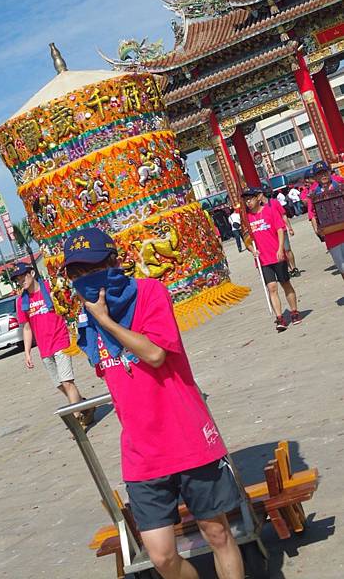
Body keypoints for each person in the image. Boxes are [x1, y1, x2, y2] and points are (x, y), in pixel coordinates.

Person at [63, 228, 245, 579]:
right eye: (77, 274)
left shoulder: (149, 294)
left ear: (114, 262)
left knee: (217, 533)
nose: (85, 279)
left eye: (92, 268)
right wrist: (95, 321)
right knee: (161, 557)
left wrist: (106, 321)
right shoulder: (85, 319)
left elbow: (156, 354)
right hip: (141, 451)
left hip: (187, 437)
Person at [12, 262, 94, 428]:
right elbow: (27, 328)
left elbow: (67, 306)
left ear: (32, 273)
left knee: (67, 382)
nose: (21, 281)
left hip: (61, 340)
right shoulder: (22, 302)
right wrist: (27, 352)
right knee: (60, 385)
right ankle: (85, 406)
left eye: (23, 277)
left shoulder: (50, 289)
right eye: (18, 280)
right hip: (44, 348)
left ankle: (77, 422)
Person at [242, 187, 302, 331]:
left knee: (285, 283)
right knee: (272, 287)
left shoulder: (269, 210)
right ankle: (280, 317)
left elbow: (280, 229)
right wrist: (252, 250)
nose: (248, 202)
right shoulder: (247, 218)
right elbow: (246, 239)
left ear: (257, 198)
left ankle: (294, 312)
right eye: (246, 200)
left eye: (250, 199)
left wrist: (280, 248)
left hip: (277, 255)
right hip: (262, 259)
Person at [309, 163, 344, 281]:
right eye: (319, 174)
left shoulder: (340, 185)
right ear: (315, 178)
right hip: (331, 237)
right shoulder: (313, 195)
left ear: (329, 172)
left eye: (325, 172)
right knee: (342, 268)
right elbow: (312, 214)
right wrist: (317, 230)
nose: (323, 175)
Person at [262, 188, 300, 278]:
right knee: (280, 251)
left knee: (287, 249)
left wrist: (289, 228)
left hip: (281, 229)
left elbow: (283, 215)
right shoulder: (260, 208)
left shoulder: (274, 202)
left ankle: (294, 267)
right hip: (271, 233)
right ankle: (289, 269)